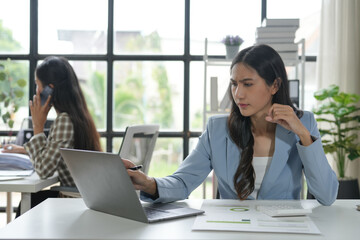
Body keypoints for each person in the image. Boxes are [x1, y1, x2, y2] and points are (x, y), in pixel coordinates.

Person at [123, 44, 339, 206]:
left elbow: (327, 196)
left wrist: (303, 134)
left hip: (283, 232)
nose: (238, 94)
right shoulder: (217, 129)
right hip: (232, 231)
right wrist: (148, 182)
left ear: (275, 85)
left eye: (247, 84)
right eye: (234, 84)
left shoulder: (304, 123)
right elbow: (183, 181)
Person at [2, 56, 102, 211]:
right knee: (31, 201)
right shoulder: (78, 115)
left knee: (28, 203)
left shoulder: (64, 120)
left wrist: (38, 126)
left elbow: (43, 170)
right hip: (85, 198)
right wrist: (24, 149)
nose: (36, 91)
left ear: (50, 88)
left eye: (37, 84)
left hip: (73, 202)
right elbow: (56, 153)